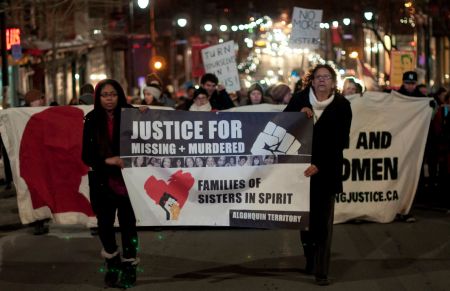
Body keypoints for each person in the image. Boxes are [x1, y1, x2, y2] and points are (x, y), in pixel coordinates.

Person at [284, 64, 352, 286]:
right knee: (306, 222)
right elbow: (281, 129)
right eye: (318, 77)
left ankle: (322, 271)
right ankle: (310, 257)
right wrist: (297, 116)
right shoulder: (298, 100)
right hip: (300, 172)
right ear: (312, 81)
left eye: (327, 77)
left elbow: (341, 141)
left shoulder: (342, 105)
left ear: (333, 82)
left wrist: (320, 164)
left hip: (327, 172)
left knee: (324, 223)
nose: (322, 80)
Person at [82, 79, 139, 288]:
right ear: (98, 97)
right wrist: (108, 160)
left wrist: (147, 115)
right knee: (105, 226)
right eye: (105, 95)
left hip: (129, 183)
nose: (109, 99)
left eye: (113, 94)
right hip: (102, 182)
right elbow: (86, 155)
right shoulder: (91, 119)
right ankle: (112, 264)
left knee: (128, 228)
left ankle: (130, 266)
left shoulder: (132, 115)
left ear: (120, 95)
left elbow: (150, 138)